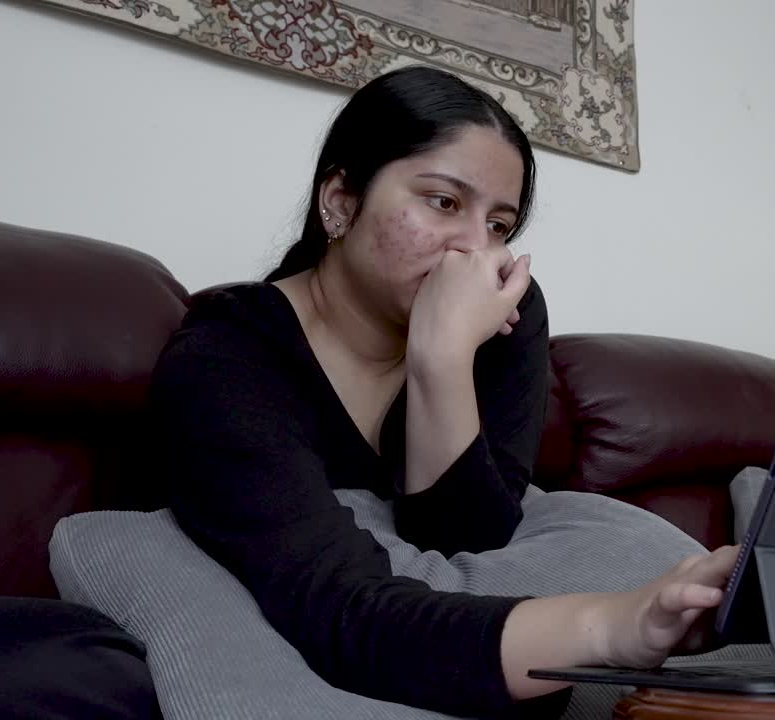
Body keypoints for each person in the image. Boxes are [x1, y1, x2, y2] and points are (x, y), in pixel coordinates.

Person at [147, 65, 739, 719]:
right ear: (340, 200)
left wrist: (443, 358)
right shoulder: (228, 356)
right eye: (444, 202)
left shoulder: (504, 320)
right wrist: (614, 628)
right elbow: (343, 615)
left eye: (500, 225)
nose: (474, 250)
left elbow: (469, 544)